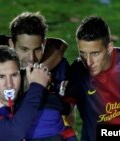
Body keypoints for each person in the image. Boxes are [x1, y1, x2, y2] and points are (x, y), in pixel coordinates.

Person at [61, 16, 120, 141]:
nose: (89, 61)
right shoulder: (77, 71)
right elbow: (65, 110)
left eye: (95, 53)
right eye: (83, 53)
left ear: (109, 48)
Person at [9, 11, 77, 141]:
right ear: (12, 44)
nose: (31, 58)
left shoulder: (60, 67)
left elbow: (69, 115)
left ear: (45, 44)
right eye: (24, 49)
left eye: (37, 49)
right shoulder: (2, 69)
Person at [0, 45, 51, 140]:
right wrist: (37, 86)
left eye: (14, 75)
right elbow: (11, 134)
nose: (9, 84)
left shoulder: (29, 102)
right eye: (1, 77)